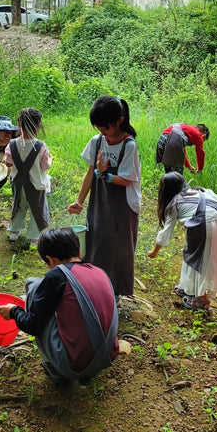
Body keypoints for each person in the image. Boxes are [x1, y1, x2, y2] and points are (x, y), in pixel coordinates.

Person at [0, 227, 119, 384]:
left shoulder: (56, 276)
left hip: (74, 365)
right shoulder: (99, 271)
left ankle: (58, 373)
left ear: (50, 260)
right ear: (78, 252)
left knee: (34, 285)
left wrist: (14, 311)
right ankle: (88, 371)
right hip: (106, 356)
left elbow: (32, 325)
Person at [67, 96, 141, 297]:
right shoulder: (98, 141)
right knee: (97, 240)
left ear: (119, 120)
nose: (101, 130)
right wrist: (79, 201)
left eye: (105, 127)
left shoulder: (128, 145)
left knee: (120, 246)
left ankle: (115, 291)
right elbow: (91, 172)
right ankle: (96, 285)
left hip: (123, 204)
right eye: (97, 126)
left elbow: (125, 180)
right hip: (100, 201)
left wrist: (103, 174)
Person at [148, 172, 217, 312]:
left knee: (199, 258)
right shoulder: (198, 190)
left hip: (206, 222)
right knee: (197, 254)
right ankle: (187, 287)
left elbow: (165, 233)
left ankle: (201, 300)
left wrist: (154, 252)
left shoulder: (173, 203)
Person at [5, 107, 52, 249]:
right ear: (38, 126)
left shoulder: (12, 144)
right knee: (37, 209)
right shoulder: (40, 145)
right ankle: (34, 239)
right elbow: (44, 166)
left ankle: (14, 232)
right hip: (36, 185)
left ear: (19, 124)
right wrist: (50, 159)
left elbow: (8, 162)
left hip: (18, 183)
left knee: (19, 206)